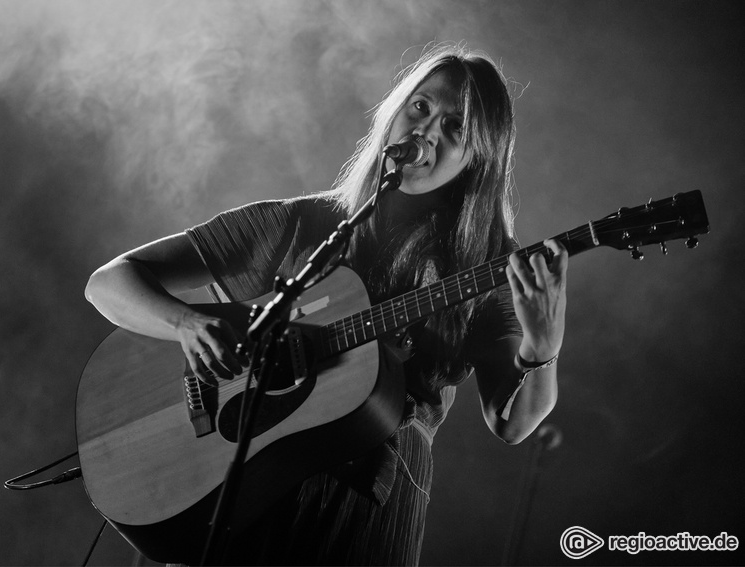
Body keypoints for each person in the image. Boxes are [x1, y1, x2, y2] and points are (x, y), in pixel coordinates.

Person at [85, 43, 567, 566]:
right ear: (394, 110)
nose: (425, 133)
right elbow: (110, 283)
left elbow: (512, 422)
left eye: (455, 128)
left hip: (369, 500)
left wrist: (543, 348)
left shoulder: (489, 265)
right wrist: (186, 323)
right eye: (421, 107)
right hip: (255, 481)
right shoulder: (304, 223)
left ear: (479, 158)